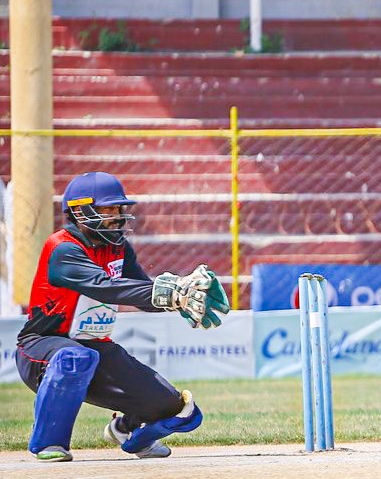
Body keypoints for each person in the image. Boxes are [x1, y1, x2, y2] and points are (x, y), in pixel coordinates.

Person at [15, 171, 230, 462]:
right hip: (42, 347)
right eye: (108, 209)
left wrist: (180, 296)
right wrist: (167, 293)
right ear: (80, 211)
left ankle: (127, 432)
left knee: (176, 408)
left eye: (119, 209)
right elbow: (104, 287)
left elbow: (142, 293)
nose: (117, 216)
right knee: (75, 358)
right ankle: (49, 444)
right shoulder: (63, 248)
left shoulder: (118, 247)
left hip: (95, 348)